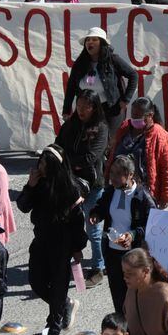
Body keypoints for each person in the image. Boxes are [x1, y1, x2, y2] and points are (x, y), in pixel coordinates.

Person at [17, 144, 88, 335]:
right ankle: (64, 304)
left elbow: (77, 222)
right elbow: (23, 206)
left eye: (46, 163)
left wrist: (77, 248)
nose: (41, 167)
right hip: (40, 240)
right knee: (36, 282)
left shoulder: (71, 189)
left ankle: (54, 324)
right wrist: (29, 186)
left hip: (62, 244)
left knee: (58, 285)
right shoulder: (37, 183)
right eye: (41, 162)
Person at [55, 89, 110, 287]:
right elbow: (57, 148)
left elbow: (90, 158)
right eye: (78, 105)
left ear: (94, 107)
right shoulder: (70, 125)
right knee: (69, 226)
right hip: (70, 184)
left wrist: (68, 161)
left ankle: (98, 268)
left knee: (92, 227)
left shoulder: (101, 128)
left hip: (93, 185)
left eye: (85, 107)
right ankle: (71, 265)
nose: (81, 110)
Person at [90, 156, 155, 313]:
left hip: (133, 256)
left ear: (130, 175)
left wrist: (132, 235)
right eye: (111, 172)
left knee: (136, 298)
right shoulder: (110, 192)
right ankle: (122, 331)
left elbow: (152, 225)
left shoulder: (142, 197)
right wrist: (96, 214)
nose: (113, 178)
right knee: (118, 298)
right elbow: (101, 207)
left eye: (118, 174)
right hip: (113, 254)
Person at [63, 27, 139, 134]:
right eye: (88, 40)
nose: (90, 42)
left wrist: (125, 99)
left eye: (94, 40)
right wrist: (66, 110)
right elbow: (71, 87)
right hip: (88, 110)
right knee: (86, 140)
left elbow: (133, 75)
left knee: (109, 142)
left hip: (111, 109)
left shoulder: (113, 60)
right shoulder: (80, 64)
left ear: (101, 43)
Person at [106, 98, 168, 208]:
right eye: (133, 114)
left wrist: (165, 196)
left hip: (143, 195)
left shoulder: (160, 135)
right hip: (118, 190)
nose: (135, 118)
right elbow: (112, 155)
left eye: (139, 116)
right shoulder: (124, 128)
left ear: (150, 115)